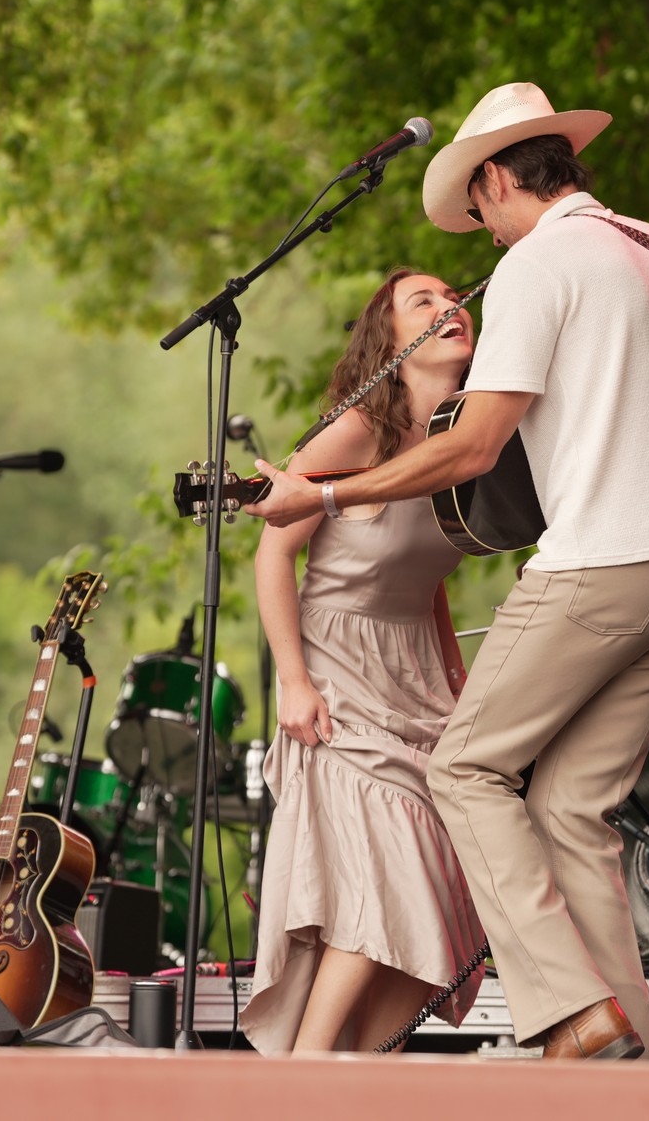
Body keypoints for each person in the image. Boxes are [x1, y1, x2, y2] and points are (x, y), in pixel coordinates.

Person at [248, 82, 649, 1061]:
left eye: (477, 211)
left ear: (495, 180)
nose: (482, 232)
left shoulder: (532, 265)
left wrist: (327, 496)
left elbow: (473, 449)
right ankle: (624, 1069)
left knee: (463, 770)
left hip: (602, 567)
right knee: (567, 811)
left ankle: (567, 1010)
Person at [242, 268, 485, 1055]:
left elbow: (428, 583)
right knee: (388, 878)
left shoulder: (466, 440)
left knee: (443, 895)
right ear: (390, 339)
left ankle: (367, 1071)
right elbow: (273, 552)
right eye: (425, 301)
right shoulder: (354, 432)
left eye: (454, 297)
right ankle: (307, 1072)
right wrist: (293, 680)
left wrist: (457, 687)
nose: (451, 307)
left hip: (413, 670)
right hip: (337, 665)